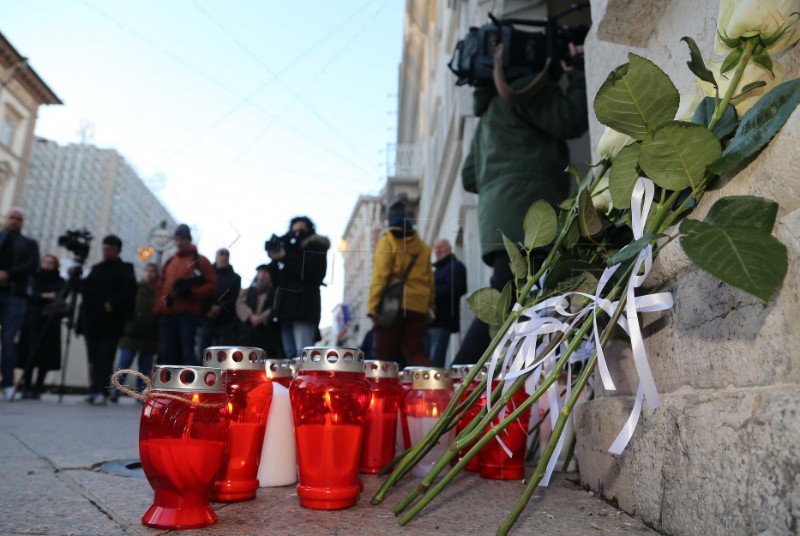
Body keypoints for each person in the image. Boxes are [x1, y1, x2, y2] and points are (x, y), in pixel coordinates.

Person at [454, 42, 588, 365]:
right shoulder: (525, 90)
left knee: (522, 298)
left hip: (497, 222)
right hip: (529, 215)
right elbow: (570, 119)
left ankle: (484, 384)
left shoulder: (487, 115)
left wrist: (499, 177)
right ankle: (458, 379)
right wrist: (580, 69)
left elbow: (469, 176)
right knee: (515, 297)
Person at [368, 199, 434, 368]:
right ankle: (427, 389)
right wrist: (430, 306)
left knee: (384, 354)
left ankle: (381, 392)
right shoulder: (423, 247)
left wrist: (373, 307)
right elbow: (429, 280)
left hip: (392, 305)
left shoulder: (387, 241)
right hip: (418, 306)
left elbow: (381, 276)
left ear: (390, 220)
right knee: (417, 353)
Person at [77, 235, 137, 404]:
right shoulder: (96, 268)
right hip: (92, 321)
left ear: (118, 250)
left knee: (105, 356)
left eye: (110, 249)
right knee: (93, 357)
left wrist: (113, 302)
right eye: (104, 249)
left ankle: (101, 391)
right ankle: (93, 389)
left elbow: (129, 291)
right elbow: (86, 290)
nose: (106, 252)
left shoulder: (125, 269)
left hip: (111, 322)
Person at [153, 224, 216, 366]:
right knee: (167, 353)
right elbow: (160, 287)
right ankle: (168, 386)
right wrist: (157, 311)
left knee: (187, 352)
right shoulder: (170, 261)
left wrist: (191, 292)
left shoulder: (200, 261)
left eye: (182, 239)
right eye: (177, 239)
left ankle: (189, 386)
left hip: (187, 315)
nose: (179, 243)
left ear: (188, 240)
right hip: (166, 315)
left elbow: (212, 285)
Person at [268, 216, 330, 357]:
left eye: (301, 230)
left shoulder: (316, 247)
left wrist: (285, 256)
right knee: (289, 354)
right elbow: (277, 281)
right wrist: (274, 260)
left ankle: (305, 379)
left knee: (303, 353)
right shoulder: (289, 250)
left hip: (304, 310)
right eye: (294, 231)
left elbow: (311, 273)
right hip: (285, 311)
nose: (297, 234)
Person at [0, 208, 40, 401]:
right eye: (11, 218)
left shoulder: (29, 244)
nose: (14, 221)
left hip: (15, 296)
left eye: (18, 219)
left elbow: (32, 265)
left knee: (8, 340)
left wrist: (8, 275)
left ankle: (8, 383)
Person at [16, 254, 66, 399]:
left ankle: (38, 387)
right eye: (45, 261)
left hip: (50, 321)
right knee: (29, 352)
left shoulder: (60, 281)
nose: (47, 264)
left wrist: (44, 296)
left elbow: (60, 295)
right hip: (33, 320)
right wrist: (44, 296)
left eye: (51, 262)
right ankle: (27, 386)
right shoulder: (33, 278)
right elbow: (30, 294)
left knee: (45, 354)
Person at [109, 262, 159, 402]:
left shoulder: (159, 292)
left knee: (144, 366)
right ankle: (116, 390)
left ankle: (141, 393)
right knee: (124, 361)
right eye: (148, 270)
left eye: (153, 271)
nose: (150, 274)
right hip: (132, 330)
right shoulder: (136, 288)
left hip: (150, 334)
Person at [428, 239, 467, 368]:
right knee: (429, 359)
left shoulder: (456, 266)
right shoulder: (436, 271)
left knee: (435, 360)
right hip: (429, 322)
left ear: (449, 248)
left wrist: (431, 292)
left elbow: (458, 288)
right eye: (436, 247)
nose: (438, 250)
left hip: (443, 321)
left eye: (441, 247)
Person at [197, 248, 241, 359]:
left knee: (223, 356)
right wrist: (208, 308)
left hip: (225, 322)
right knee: (202, 353)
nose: (224, 257)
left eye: (226, 255)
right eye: (221, 254)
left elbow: (234, 298)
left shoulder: (235, 278)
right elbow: (200, 294)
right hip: (205, 319)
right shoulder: (205, 276)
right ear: (216, 257)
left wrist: (220, 307)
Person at [235, 264, 284, 358]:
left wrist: (261, 318)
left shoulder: (275, 292)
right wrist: (250, 316)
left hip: (267, 333)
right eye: (260, 272)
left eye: (265, 272)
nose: (262, 275)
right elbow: (240, 304)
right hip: (247, 332)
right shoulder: (249, 291)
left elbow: (275, 308)